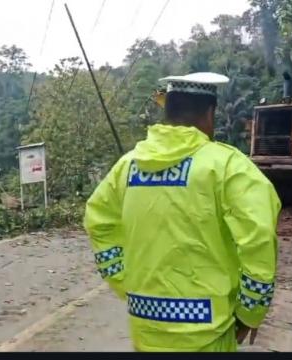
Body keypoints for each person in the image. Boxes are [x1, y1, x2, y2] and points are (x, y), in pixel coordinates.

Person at [84, 72, 281, 352]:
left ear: (168, 110)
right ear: (210, 113)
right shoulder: (228, 167)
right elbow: (259, 240)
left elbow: (98, 223)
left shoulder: (126, 168)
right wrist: (250, 311)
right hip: (209, 330)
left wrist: (123, 282)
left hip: (145, 323)